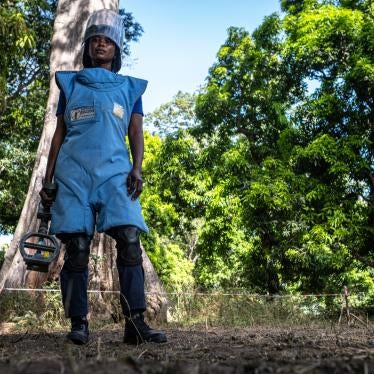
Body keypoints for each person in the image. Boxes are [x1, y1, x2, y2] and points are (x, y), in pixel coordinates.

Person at [40, 9, 167, 345]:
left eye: (107, 40)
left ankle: (135, 323)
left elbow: (136, 131)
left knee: (129, 240)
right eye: (95, 39)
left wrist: (137, 168)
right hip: (73, 174)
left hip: (115, 175)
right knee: (77, 247)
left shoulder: (130, 88)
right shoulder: (71, 84)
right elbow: (59, 132)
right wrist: (48, 177)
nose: (101, 44)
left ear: (116, 49)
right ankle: (78, 324)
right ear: (87, 46)